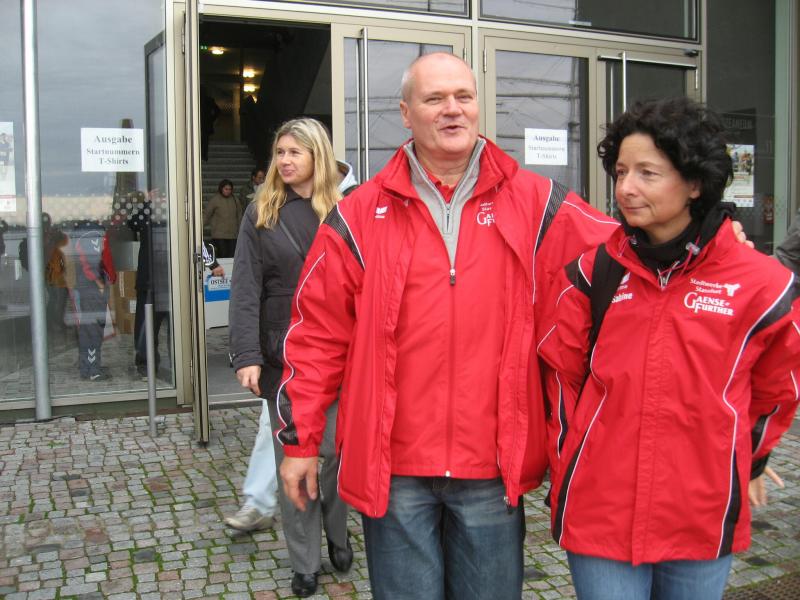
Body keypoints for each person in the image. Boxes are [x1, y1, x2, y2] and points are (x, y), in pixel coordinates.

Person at [276, 52, 618, 600]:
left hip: (491, 468)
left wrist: (714, 241)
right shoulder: (359, 214)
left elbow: (628, 253)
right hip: (394, 470)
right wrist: (300, 443)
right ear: (406, 113)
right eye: (434, 98)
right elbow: (316, 335)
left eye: (464, 96)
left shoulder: (538, 203)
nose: (452, 109)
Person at [536, 97, 800, 600]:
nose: (625, 188)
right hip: (601, 512)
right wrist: (569, 462)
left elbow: (777, 390)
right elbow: (562, 381)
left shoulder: (763, 285)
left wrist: (747, 463)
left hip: (700, 514)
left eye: (647, 173)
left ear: (694, 183)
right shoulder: (592, 273)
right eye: (621, 172)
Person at [227, 118, 356, 598]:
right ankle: (305, 562)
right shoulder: (261, 211)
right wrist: (247, 354)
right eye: (279, 152)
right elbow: (245, 287)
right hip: (285, 359)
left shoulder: (346, 210)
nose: (284, 161)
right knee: (293, 460)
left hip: (342, 353)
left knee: (335, 457)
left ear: (316, 156)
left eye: (294, 152)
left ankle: (338, 531)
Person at [69, 220, 117, 381]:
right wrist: (100, 283)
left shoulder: (82, 232)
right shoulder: (93, 233)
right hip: (93, 289)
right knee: (93, 330)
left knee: (88, 328)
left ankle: (87, 367)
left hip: (86, 287)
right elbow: (91, 263)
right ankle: (93, 370)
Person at [204, 179, 241, 258]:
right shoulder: (215, 200)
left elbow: (239, 215)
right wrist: (200, 227)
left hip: (233, 235)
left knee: (232, 257)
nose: (228, 191)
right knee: (222, 255)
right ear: (221, 189)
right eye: (226, 189)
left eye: (230, 189)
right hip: (219, 235)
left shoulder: (235, 200)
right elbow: (207, 214)